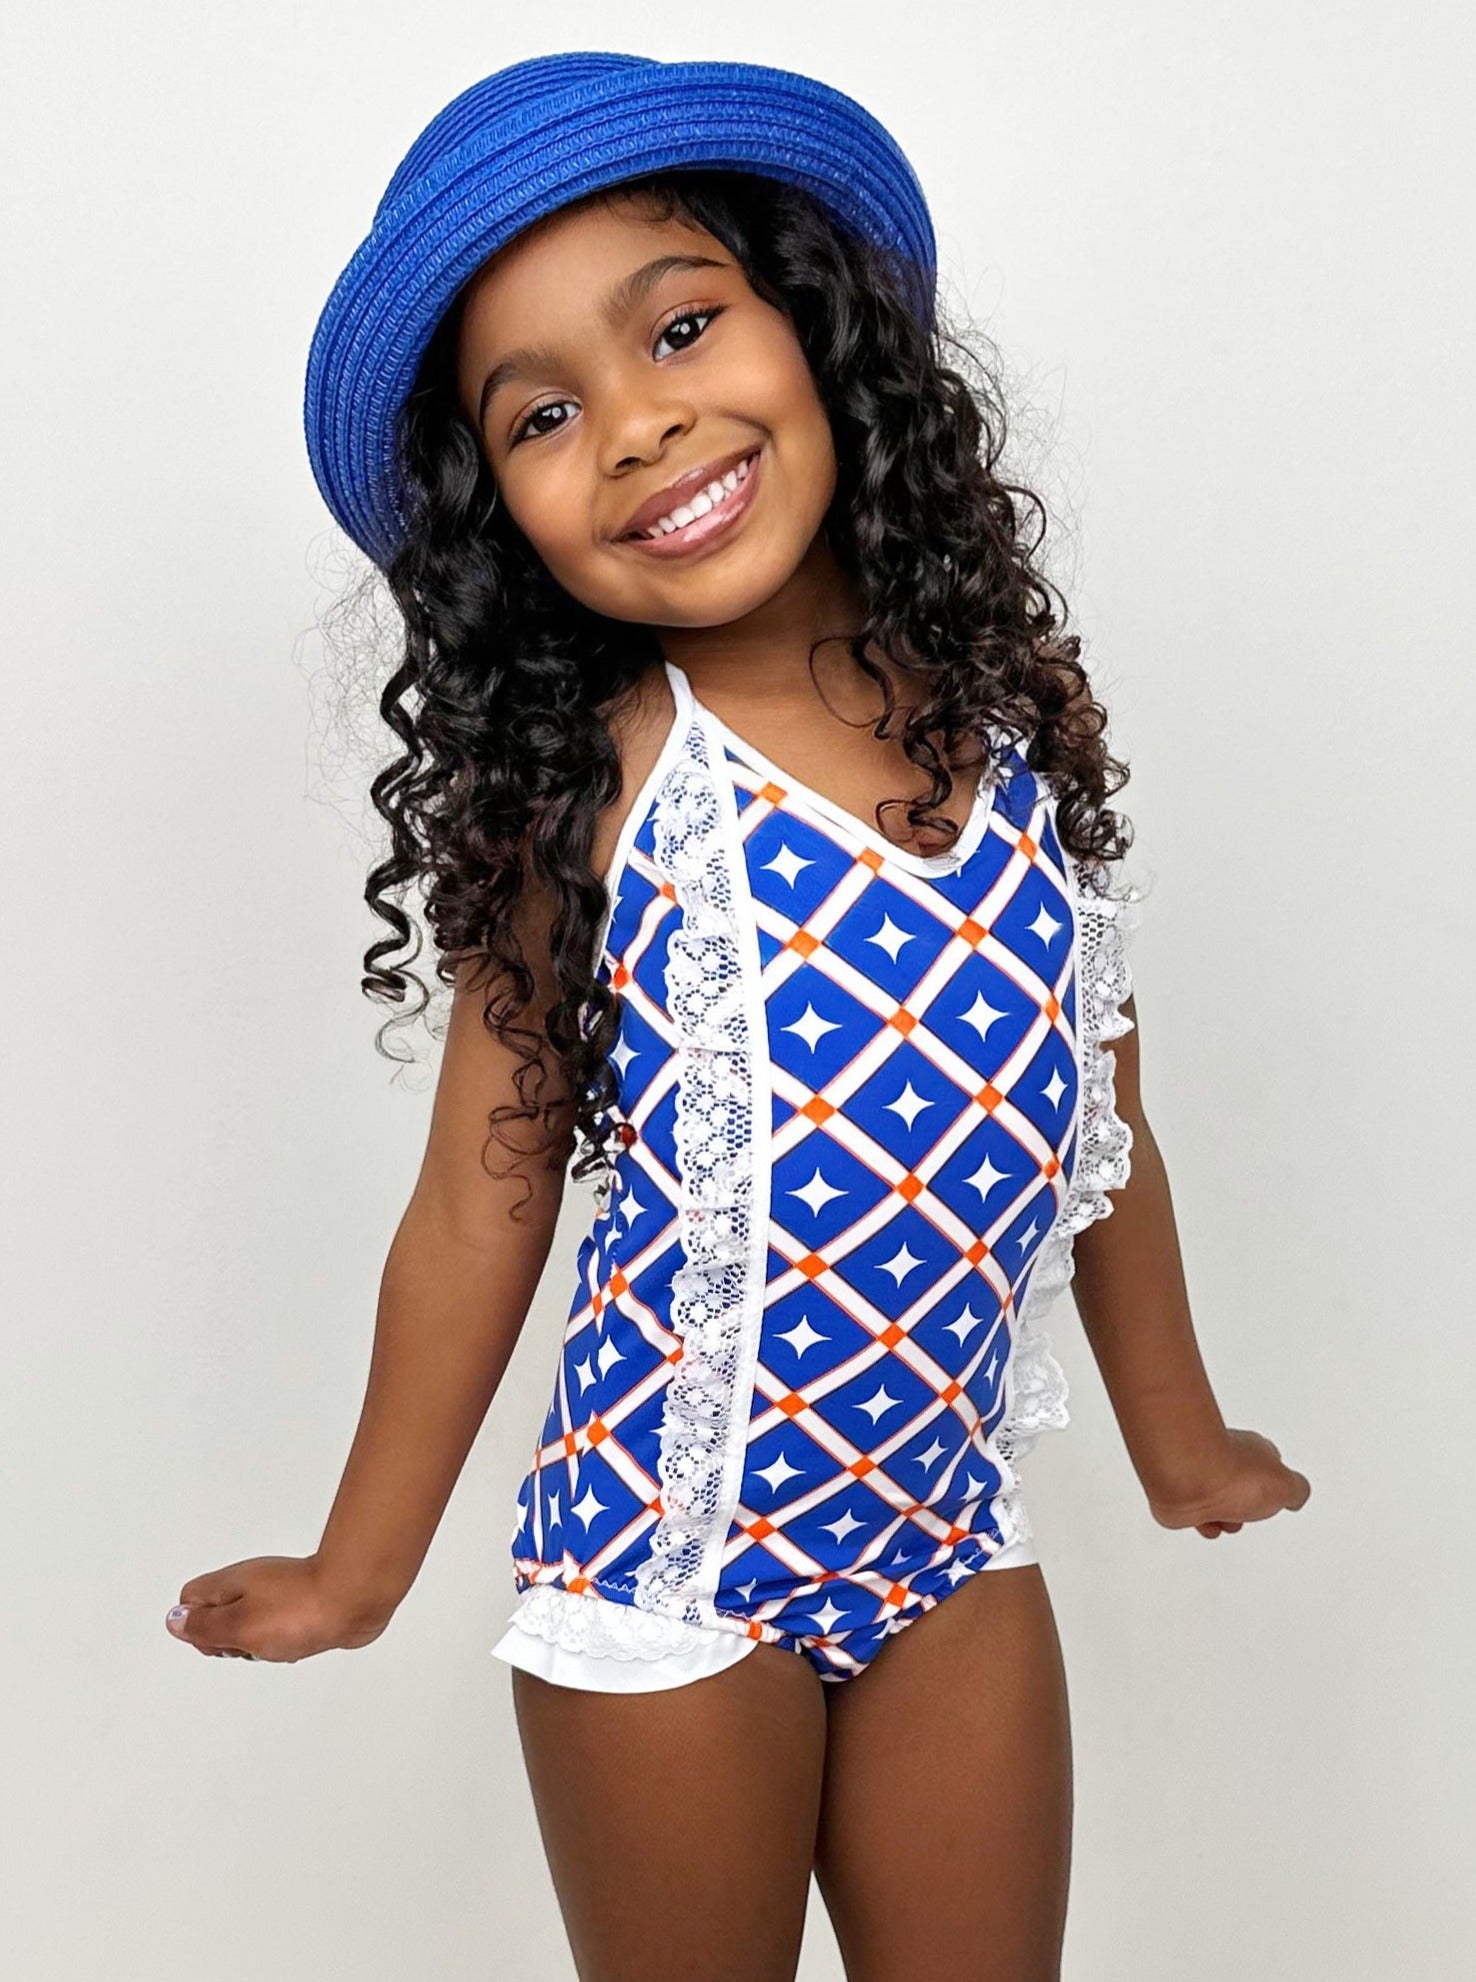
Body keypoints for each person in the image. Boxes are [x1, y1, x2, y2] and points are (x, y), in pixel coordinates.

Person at [166, 52, 1310, 1980]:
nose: (638, 425)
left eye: (682, 325)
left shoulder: (1011, 738)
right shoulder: (607, 791)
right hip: (668, 1575)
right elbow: (477, 1201)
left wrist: (1181, 1445)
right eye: (543, 414)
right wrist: (355, 1571)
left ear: (818, 325)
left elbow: (1100, 1129)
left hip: (949, 1543)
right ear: (498, 513)